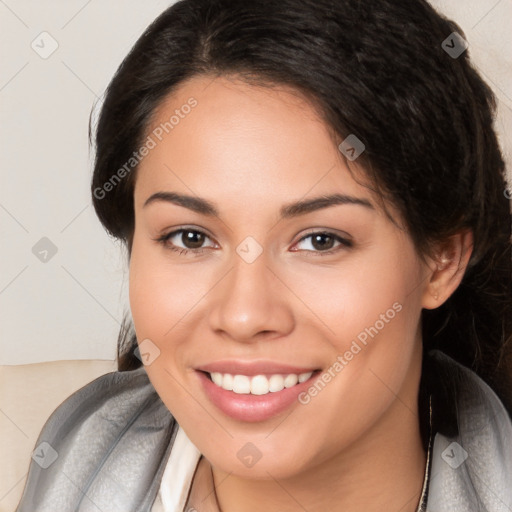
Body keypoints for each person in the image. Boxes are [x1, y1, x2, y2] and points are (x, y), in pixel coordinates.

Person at [16, 0, 512, 511]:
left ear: (442, 260)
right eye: (190, 237)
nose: (245, 315)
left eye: (321, 240)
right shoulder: (67, 459)